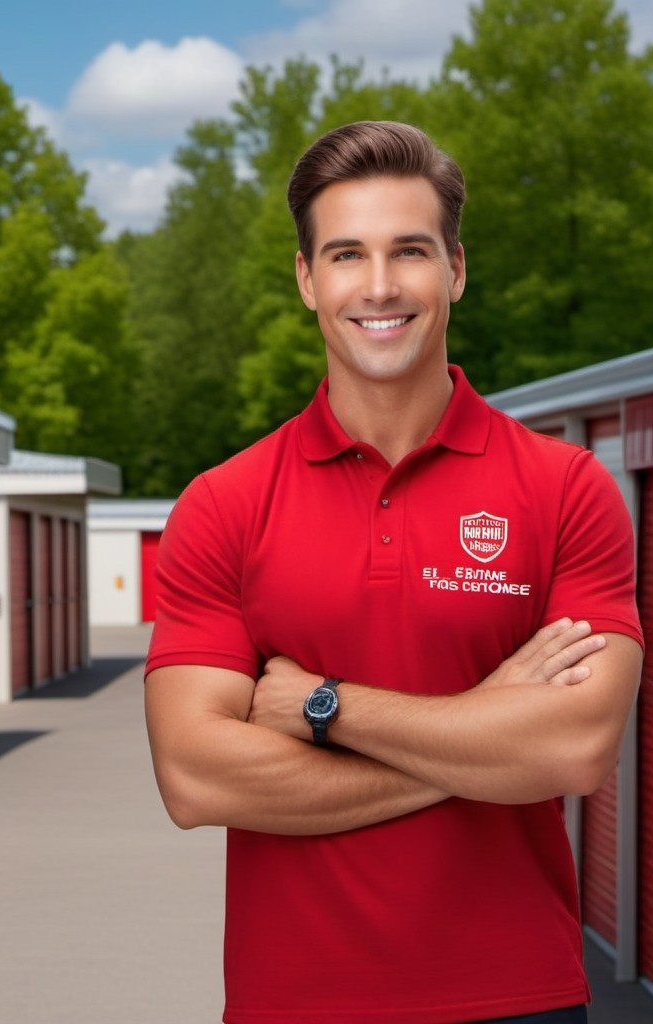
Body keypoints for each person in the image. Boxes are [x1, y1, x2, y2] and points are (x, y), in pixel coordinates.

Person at [143, 121, 644, 1024]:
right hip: (292, 1003)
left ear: (455, 269)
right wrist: (489, 735)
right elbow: (195, 779)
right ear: (307, 280)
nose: (378, 287)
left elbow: (573, 749)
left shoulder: (566, 488)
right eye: (346, 255)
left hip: (520, 996)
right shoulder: (224, 504)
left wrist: (320, 707)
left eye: (408, 251)